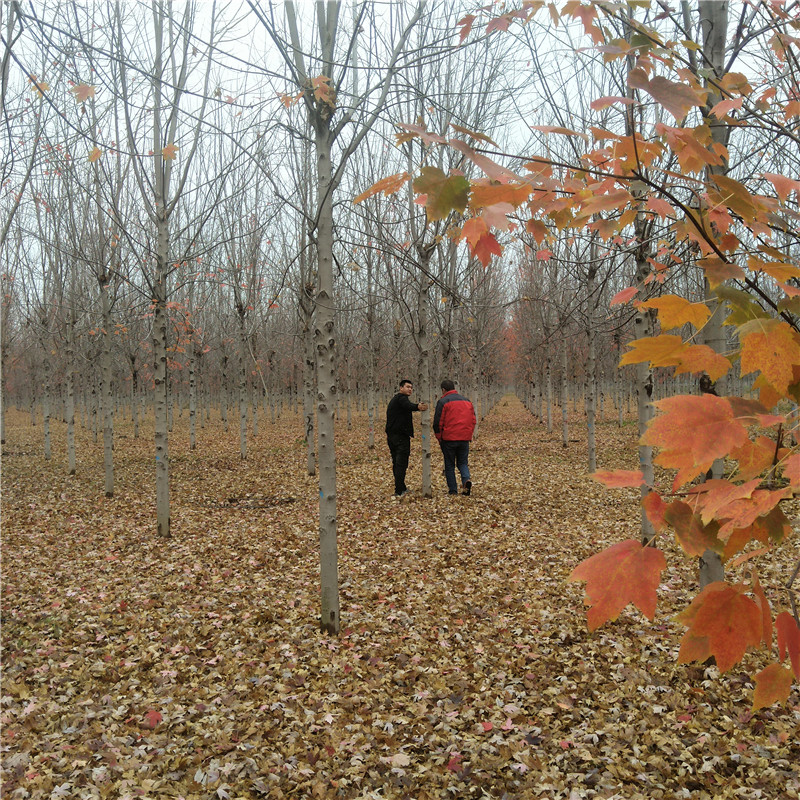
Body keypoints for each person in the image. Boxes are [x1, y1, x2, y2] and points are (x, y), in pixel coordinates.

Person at [433, 379, 476, 496]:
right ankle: (466, 480)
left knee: (449, 465)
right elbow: (473, 420)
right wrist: (469, 434)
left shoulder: (442, 402)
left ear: (443, 390)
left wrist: (439, 437)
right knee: (462, 463)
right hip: (464, 438)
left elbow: (438, 422)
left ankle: (453, 490)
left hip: (449, 439)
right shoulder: (467, 401)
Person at [385, 379, 428, 497]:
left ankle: (401, 486)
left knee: (397, 463)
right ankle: (399, 490)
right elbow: (408, 406)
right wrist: (418, 406)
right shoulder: (401, 399)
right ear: (401, 388)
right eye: (407, 387)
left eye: (411, 387)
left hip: (393, 436)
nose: (410, 389)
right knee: (401, 464)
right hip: (399, 437)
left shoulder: (397, 399)